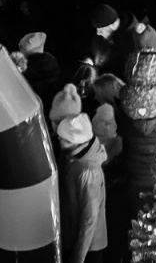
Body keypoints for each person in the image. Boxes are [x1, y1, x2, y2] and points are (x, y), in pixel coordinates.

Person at [57, 112, 107, 263]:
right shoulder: (71, 157)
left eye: (63, 138)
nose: (58, 138)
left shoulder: (88, 172)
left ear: (75, 141)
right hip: (72, 239)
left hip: (88, 248)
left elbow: (89, 219)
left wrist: (78, 257)